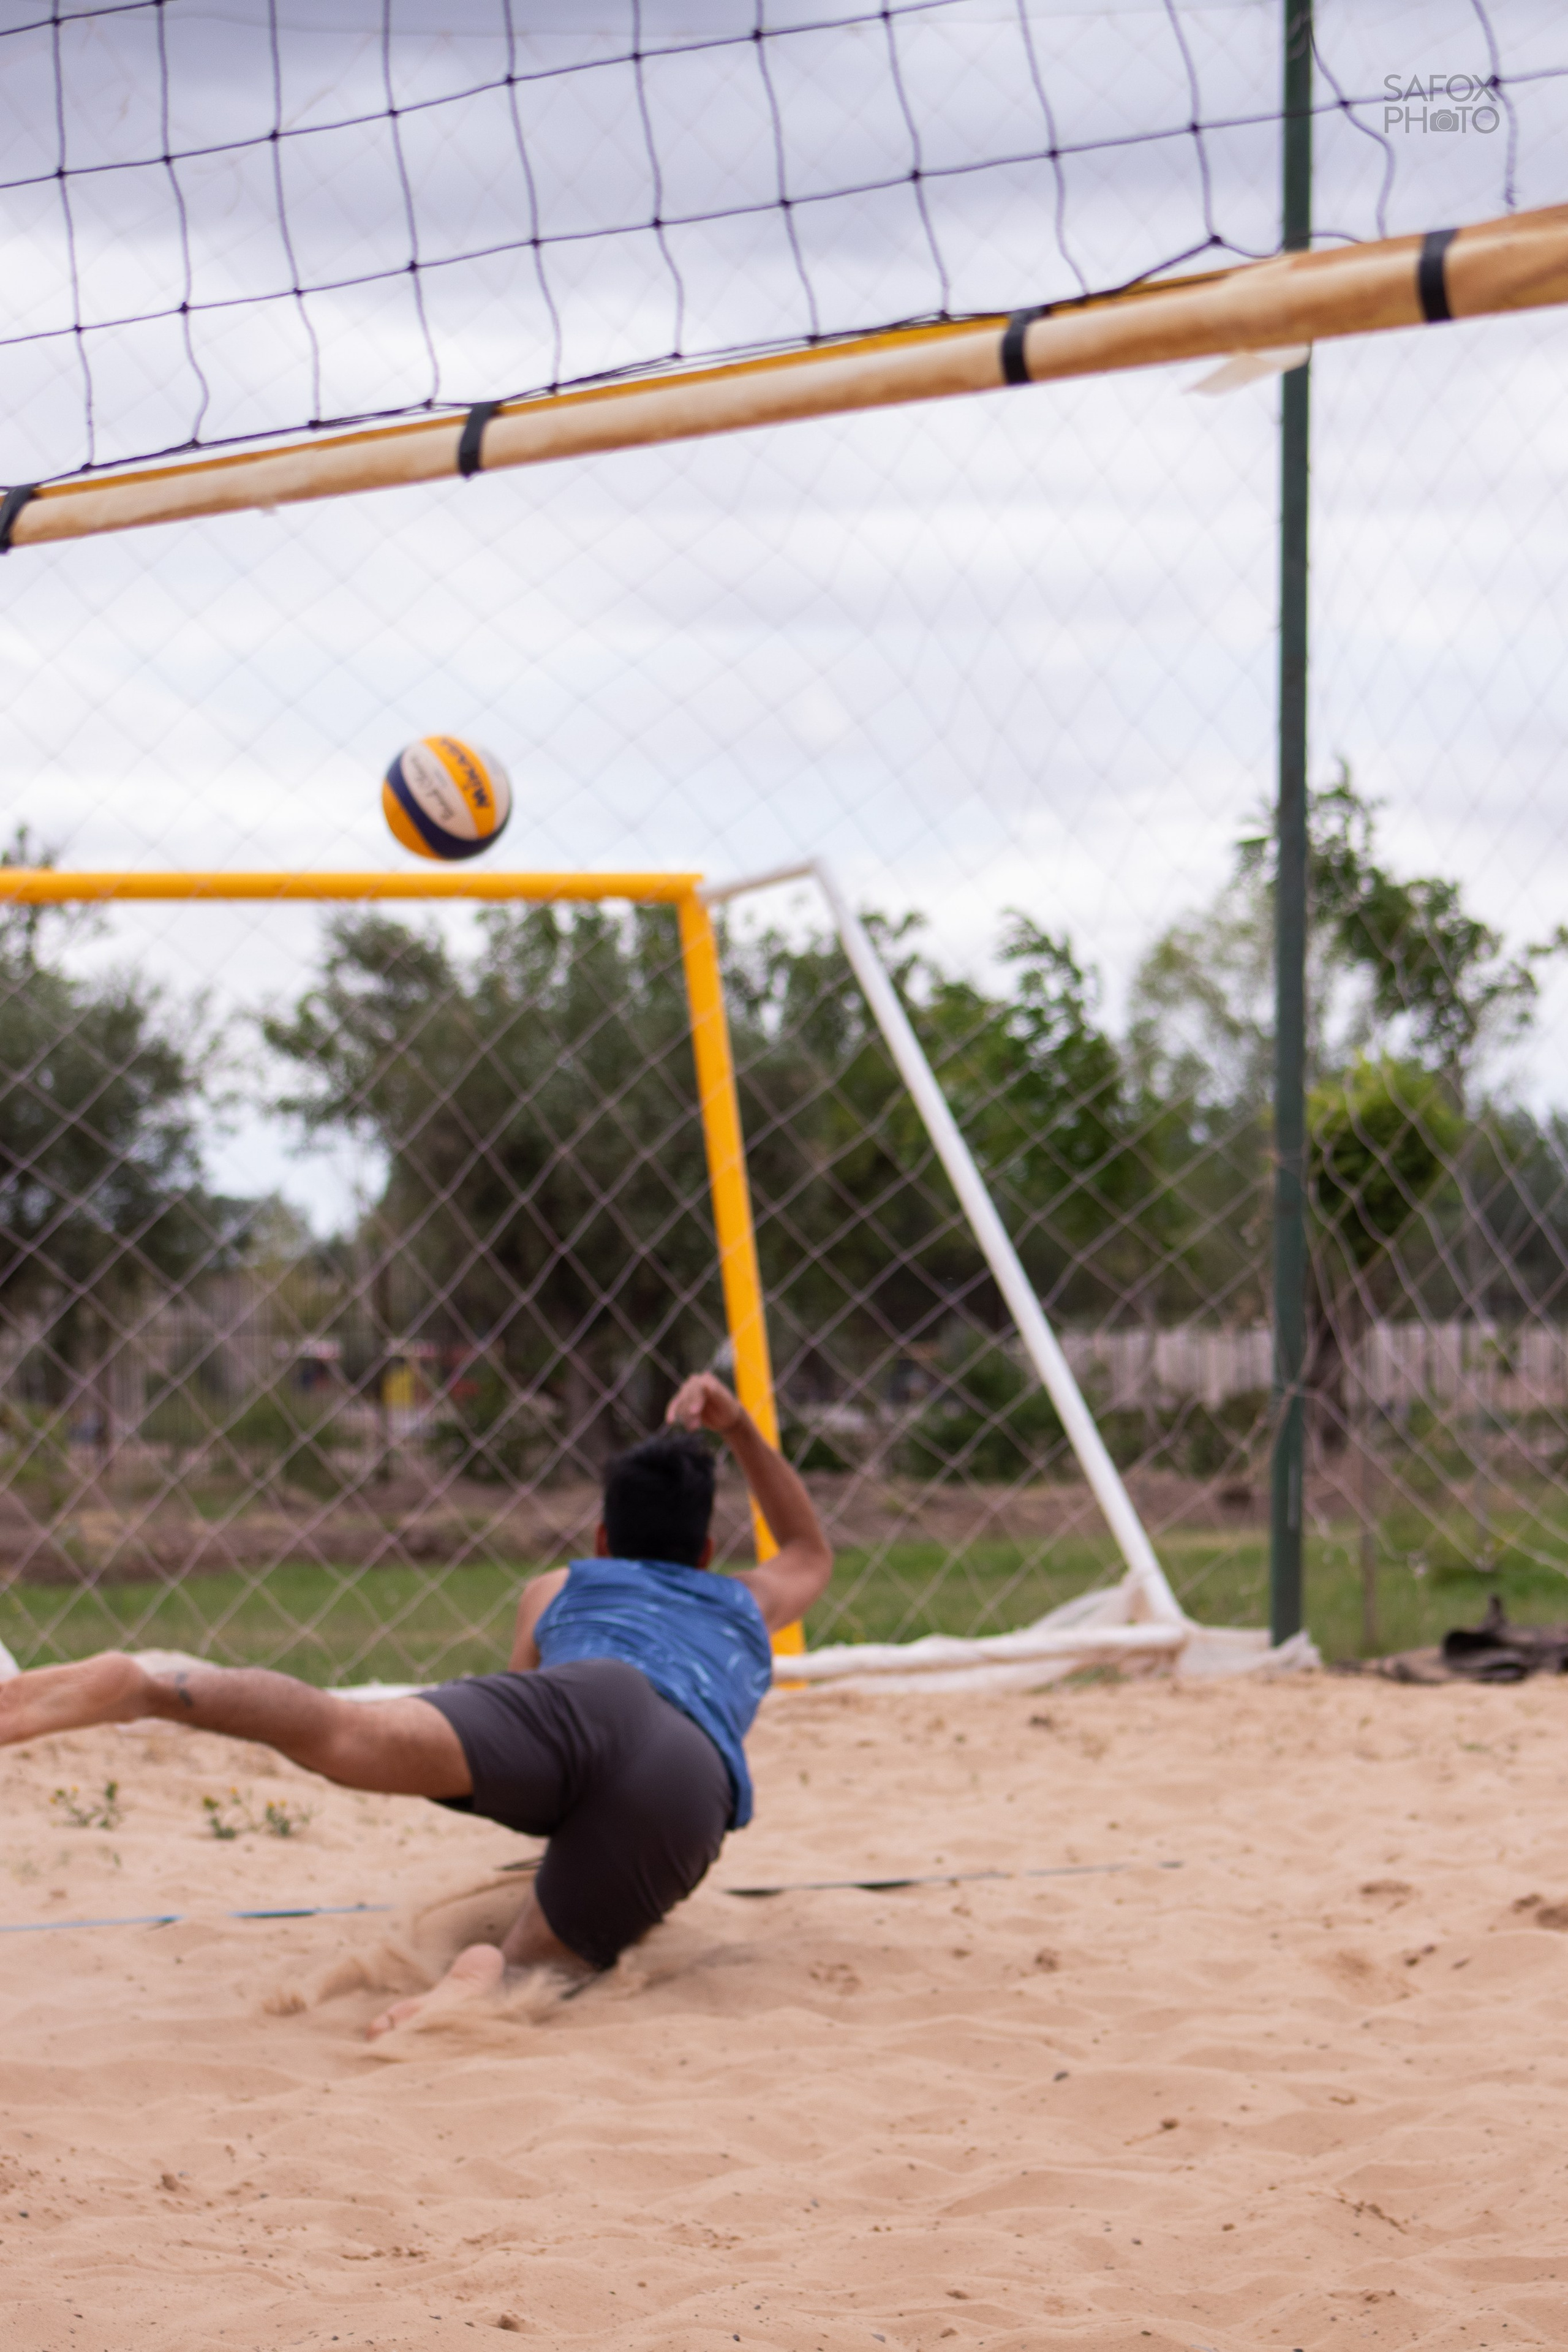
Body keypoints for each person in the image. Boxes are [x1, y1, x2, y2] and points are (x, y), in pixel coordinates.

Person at [0, 1371, 832, 2032]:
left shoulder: (561, 1585)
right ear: (709, 1550)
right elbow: (807, 1546)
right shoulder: (745, 1602)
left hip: (583, 1695)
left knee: (345, 1727)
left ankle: (152, 1687)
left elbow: (527, 1750)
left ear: (605, 1541)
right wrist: (740, 1428)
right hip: (689, 1771)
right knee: (545, 1968)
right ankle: (487, 1972)